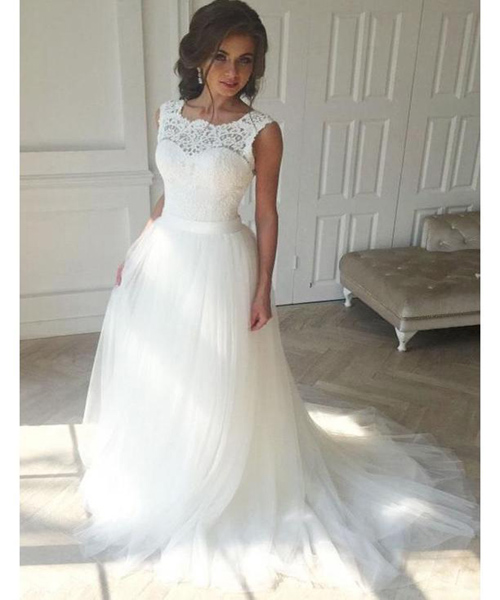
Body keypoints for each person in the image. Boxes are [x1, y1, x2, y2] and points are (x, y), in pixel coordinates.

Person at [74, 0, 479, 594]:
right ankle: (170, 468)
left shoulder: (261, 130)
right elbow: (170, 191)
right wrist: (138, 246)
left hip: (222, 263)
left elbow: (266, 214)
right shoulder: (168, 115)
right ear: (197, 56)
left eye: (245, 60)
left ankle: (223, 479)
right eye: (221, 56)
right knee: (167, 374)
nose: (232, 71)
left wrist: (264, 287)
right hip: (165, 258)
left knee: (221, 380)